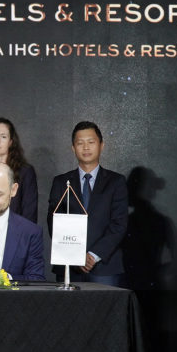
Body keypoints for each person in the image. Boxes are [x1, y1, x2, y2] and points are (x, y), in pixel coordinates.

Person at [46, 120, 129, 286]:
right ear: (73, 148)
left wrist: (93, 255)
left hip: (105, 266)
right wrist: (75, 255)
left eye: (91, 142)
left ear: (101, 145)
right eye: (80, 143)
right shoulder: (61, 182)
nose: (86, 147)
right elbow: (53, 222)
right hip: (69, 266)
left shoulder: (116, 182)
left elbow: (119, 224)